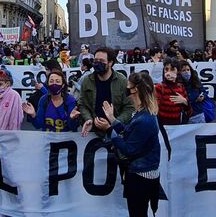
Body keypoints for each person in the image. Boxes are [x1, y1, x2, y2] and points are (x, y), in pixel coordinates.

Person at [102, 72, 161, 217]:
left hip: (141, 175)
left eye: (128, 87)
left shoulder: (144, 118)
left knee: (137, 213)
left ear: (136, 90)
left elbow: (129, 149)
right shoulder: (142, 113)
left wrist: (110, 130)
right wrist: (112, 119)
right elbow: (130, 132)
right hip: (143, 172)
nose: (126, 91)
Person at [77, 47, 134, 136]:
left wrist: (115, 122)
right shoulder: (87, 81)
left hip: (115, 132)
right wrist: (88, 119)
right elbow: (82, 104)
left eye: (101, 60)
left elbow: (129, 107)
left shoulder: (122, 81)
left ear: (110, 62)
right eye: (95, 60)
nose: (97, 63)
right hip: (92, 132)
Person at [155, 59, 191, 125]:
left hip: (178, 124)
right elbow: (154, 110)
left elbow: (189, 111)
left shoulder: (181, 87)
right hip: (163, 125)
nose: (169, 72)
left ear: (177, 71)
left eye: (172, 69)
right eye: (166, 69)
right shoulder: (159, 87)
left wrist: (184, 101)